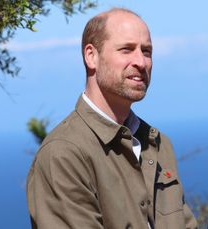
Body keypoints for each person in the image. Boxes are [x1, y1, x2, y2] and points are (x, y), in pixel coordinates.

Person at [26, 8, 197, 229]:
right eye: (126, 49)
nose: (141, 62)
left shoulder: (158, 144)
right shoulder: (63, 154)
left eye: (146, 51)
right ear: (91, 56)